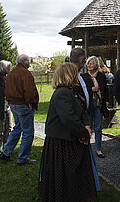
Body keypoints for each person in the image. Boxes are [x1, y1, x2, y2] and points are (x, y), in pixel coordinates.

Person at [38, 63, 96, 202]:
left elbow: (80, 112)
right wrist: (84, 133)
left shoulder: (69, 91)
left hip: (68, 139)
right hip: (62, 142)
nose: (77, 76)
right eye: (75, 73)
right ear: (69, 75)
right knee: (64, 176)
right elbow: (69, 119)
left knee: (70, 177)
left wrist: (86, 126)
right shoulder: (62, 93)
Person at [69, 47, 101, 191]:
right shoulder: (69, 75)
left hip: (83, 116)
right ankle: (77, 185)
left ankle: (84, 183)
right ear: (82, 61)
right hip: (75, 122)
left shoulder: (80, 75)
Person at [0, 54, 39, 165]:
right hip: (23, 105)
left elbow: (7, 90)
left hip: (13, 105)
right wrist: (30, 103)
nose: (30, 64)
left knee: (17, 128)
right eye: (29, 62)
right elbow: (29, 92)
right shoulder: (25, 73)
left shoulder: (11, 73)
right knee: (28, 132)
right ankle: (22, 158)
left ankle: (6, 153)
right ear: (26, 62)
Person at [82, 56, 109, 158]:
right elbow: (81, 91)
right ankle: (87, 148)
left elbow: (105, 89)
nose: (89, 65)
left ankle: (98, 149)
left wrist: (106, 100)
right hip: (88, 104)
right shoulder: (84, 76)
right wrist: (91, 89)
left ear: (96, 65)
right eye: (88, 63)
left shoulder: (101, 76)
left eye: (91, 63)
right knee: (88, 127)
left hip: (98, 104)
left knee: (98, 127)